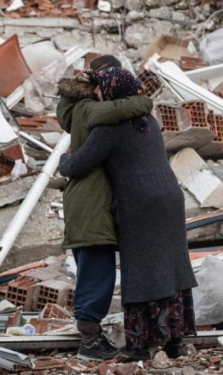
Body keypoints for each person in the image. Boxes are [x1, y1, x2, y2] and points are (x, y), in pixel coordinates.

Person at [59, 67, 198, 361]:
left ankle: (137, 347)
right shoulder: (150, 121)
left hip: (140, 203)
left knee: (140, 272)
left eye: (100, 89)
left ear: (111, 92)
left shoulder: (110, 130)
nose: (96, 94)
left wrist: (63, 158)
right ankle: (175, 343)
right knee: (170, 267)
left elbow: (77, 166)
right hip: (171, 198)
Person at [56, 56, 154, 361]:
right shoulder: (88, 111)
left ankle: (91, 338)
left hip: (89, 203)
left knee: (95, 272)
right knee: (97, 275)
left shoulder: (76, 110)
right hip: (90, 205)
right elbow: (122, 108)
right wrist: (144, 102)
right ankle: (89, 342)